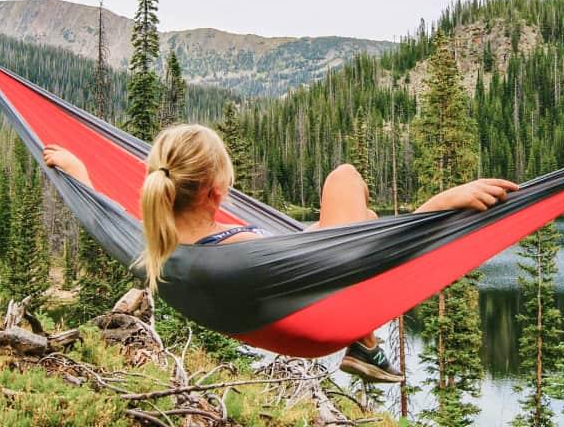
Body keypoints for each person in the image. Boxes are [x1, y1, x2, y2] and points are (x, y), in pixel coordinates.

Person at [43, 124, 518, 384]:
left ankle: (368, 345)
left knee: (365, 216)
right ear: (216, 190)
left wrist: (81, 176)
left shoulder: (153, 244)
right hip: (317, 322)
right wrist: (438, 208)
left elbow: (107, 215)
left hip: (282, 295)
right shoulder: (240, 253)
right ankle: (365, 343)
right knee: (345, 177)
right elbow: (362, 261)